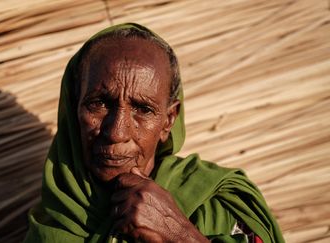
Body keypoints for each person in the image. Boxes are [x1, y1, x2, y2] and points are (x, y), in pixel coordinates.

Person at [24, 23, 284, 243]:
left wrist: (180, 235)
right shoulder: (51, 226)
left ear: (169, 120)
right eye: (99, 104)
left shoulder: (222, 204)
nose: (117, 132)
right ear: (73, 109)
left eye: (142, 109)